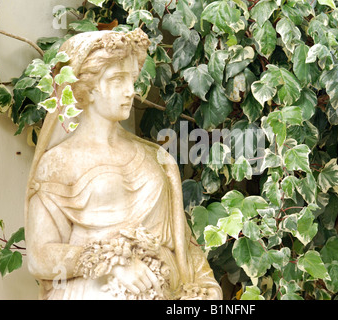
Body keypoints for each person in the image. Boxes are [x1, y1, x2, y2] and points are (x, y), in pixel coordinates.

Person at [24, 29, 222, 300]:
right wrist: (110, 264)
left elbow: (182, 243)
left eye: (131, 79)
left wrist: (204, 285)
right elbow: (39, 256)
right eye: (118, 79)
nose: (130, 91)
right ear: (87, 88)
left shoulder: (153, 156)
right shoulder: (60, 162)